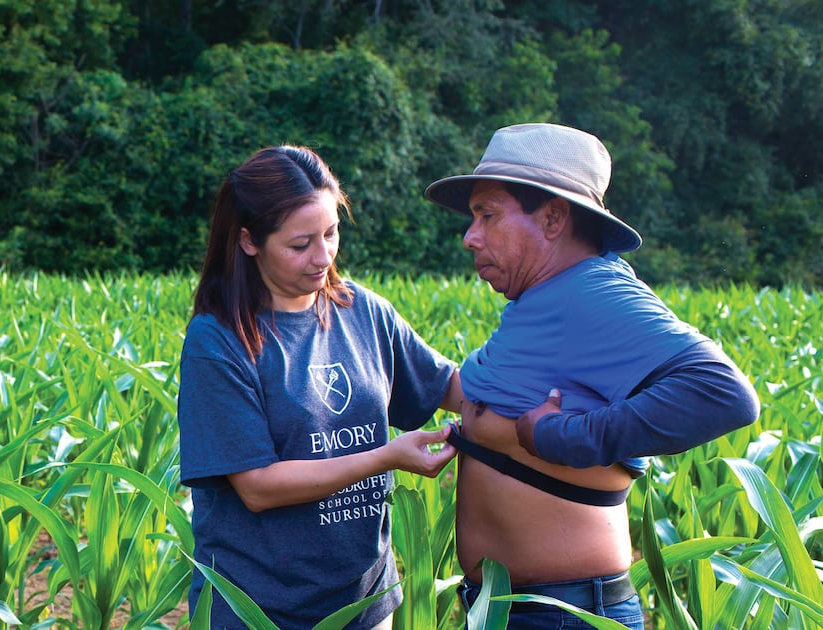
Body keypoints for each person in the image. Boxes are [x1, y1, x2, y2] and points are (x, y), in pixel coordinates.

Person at [424, 122, 760, 628]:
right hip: (513, 608)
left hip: (566, 612)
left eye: (488, 216)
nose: (471, 237)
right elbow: (478, 394)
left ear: (554, 218)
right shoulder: (542, 300)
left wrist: (565, 436)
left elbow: (724, 393)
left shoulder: (593, 293)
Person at [178, 145, 464, 629]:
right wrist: (387, 456)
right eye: (300, 244)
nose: (323, 256)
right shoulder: (219, 340)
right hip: (258, 611)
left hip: (364, 605)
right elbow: (258, 487)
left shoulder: (363, 312)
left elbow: (452, 388)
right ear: (249, 241)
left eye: (331, 233)